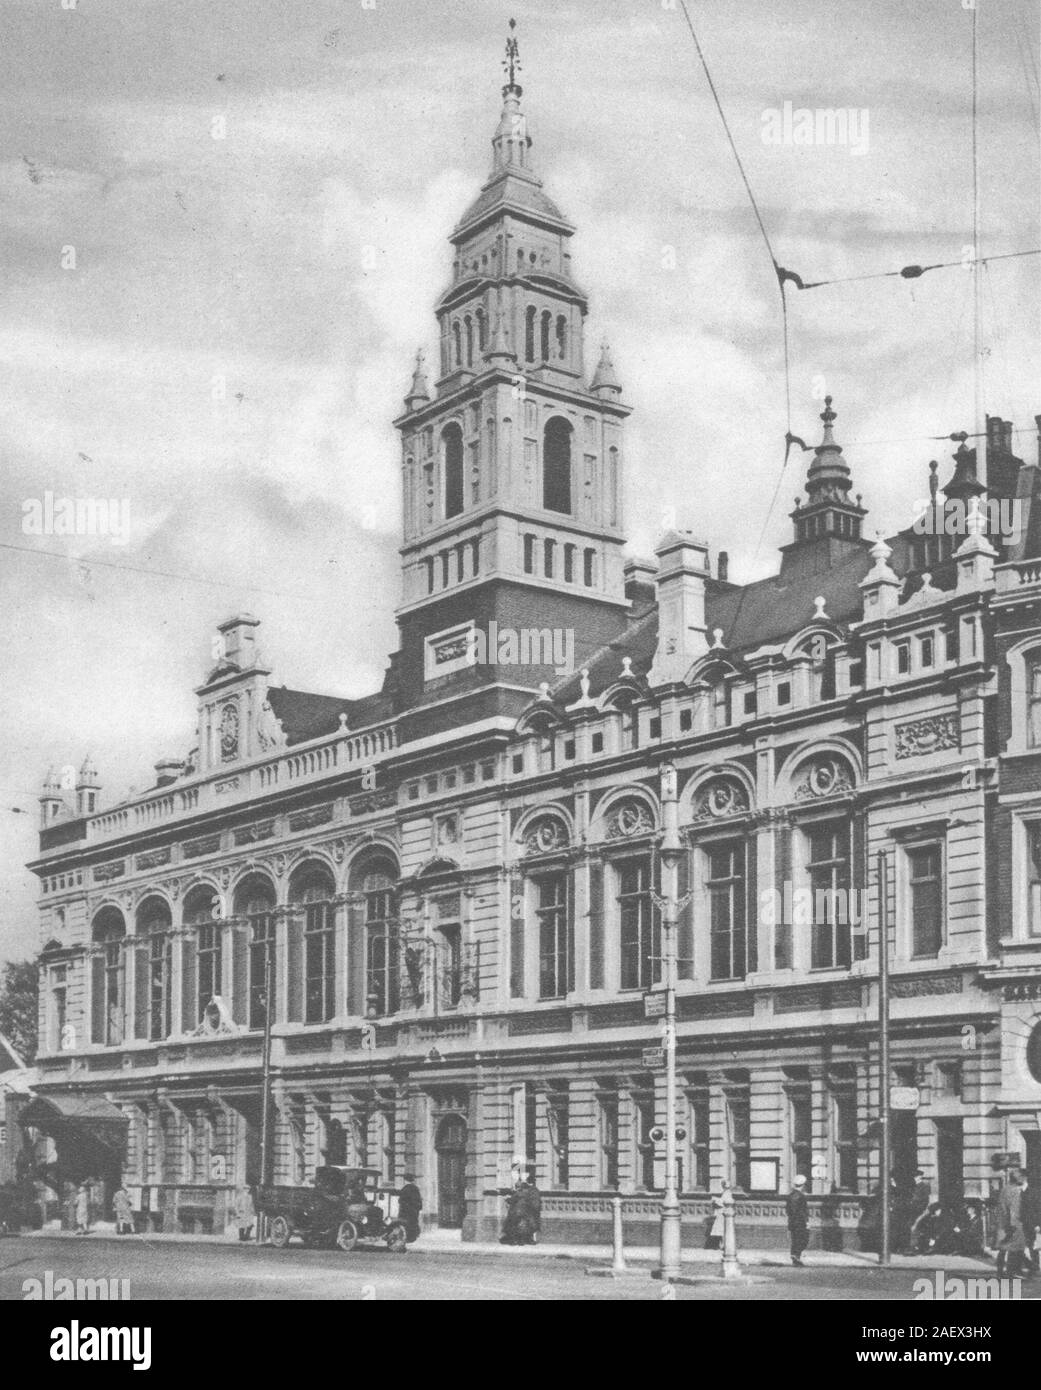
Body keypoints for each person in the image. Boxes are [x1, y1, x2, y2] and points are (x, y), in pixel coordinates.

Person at [996, 1171, 1028, 1279]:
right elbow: (1013, 1209)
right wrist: (1013, 1225)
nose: (1024, 1180)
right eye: (1023, 1177)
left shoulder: (1005, 1189)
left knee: (1002, 1248)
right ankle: (1011, 1272)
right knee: (1015, 1248)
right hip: (1012, 1223)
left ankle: (1000, 1273)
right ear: (1018, 1178)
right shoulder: (1014, 1191)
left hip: (1002, 1223)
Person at [786, 1175, 809, 1266]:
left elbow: (788, 1210)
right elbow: (803, 1211)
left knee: (795, 1239)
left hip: (792, 1221)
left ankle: (794, 1256)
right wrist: (806, 1222)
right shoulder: (802, 1197)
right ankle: (796, 1255)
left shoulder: (790, 1196)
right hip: (800, 1222)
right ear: (803, 1185)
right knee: (803, 1239)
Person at [398, 1173, 422, 1245]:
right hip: (414, 1210)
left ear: (405, 1180)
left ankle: (407, 1237)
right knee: (413, 1223)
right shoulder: (415, 1188)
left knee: (404, 1223)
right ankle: (413, 1236)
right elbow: (419, 1201)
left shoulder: (405, 1189)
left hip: (405, 1211)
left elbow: (401, 1201)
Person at [707, 1181, 731, 1250]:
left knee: (721, 1229)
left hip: (723, 1213)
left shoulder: (727, 1193)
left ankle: (723, 1245)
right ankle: (721, 1244)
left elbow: (724, 1202)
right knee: (720, 1230)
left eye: (723, 1185)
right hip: (721, 1213)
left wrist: (715, 1199)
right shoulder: (726, 1193)